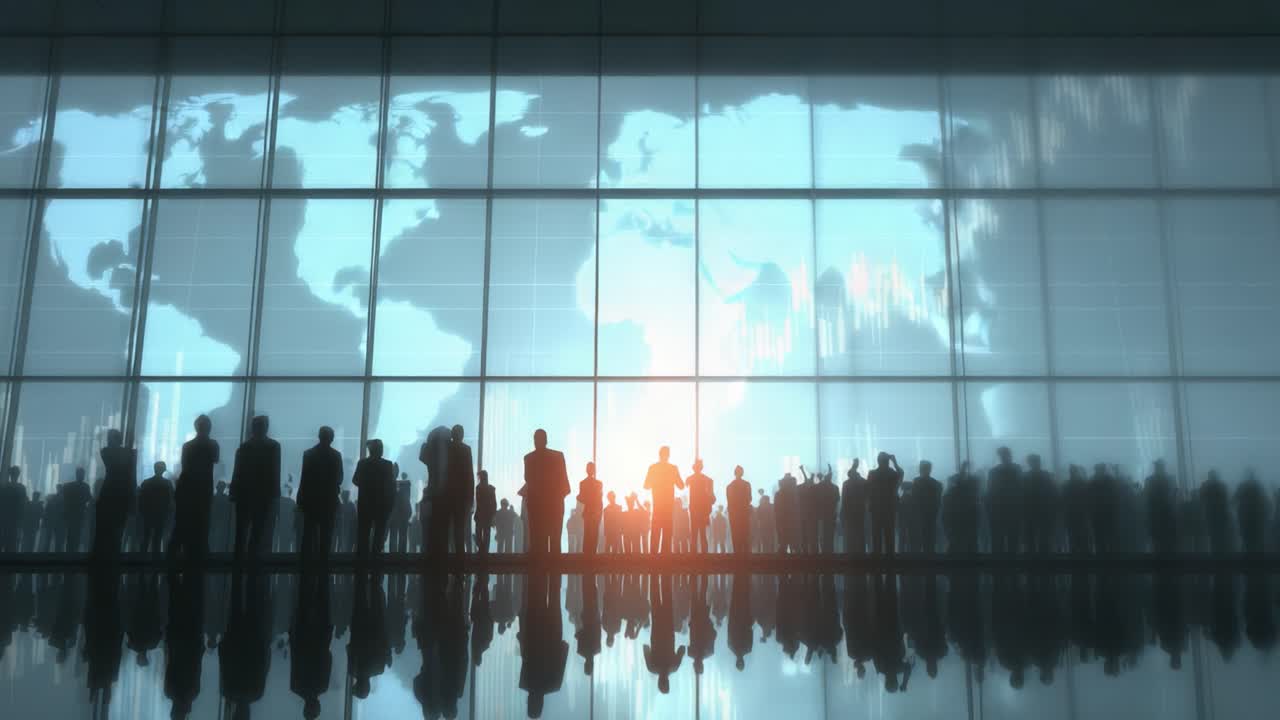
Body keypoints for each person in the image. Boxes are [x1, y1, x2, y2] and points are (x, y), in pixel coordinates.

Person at [230, 415, 281, 563]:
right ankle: (253, 562)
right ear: (266, 427)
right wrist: (275, 493)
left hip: (244, 495)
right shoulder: (273, 446)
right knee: (258, 532)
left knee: (241, 532)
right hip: (263, 496)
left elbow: (237, 471)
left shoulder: (244, 447)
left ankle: (239, 562)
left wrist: (233, 492)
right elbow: (275, 471)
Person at [297, 426, 343, 565]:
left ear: (319, 436)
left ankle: (306, 563)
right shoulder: (336, 456)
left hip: (311, 500)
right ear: (331, 438)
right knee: (326, 535)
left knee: (308, 534)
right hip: (328, 500)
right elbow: (339, 478)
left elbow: (304, 478)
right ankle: (323, 563)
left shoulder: (309, 454)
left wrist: (301, 497)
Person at [522, 429, 570, 557]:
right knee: (555, 544)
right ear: (546, 440)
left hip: (536, 507)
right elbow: (565, 485)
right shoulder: (558, 457)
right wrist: (557, 499)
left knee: (538, 544)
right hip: (555, 505)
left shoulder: (528, 459)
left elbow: (528, 479)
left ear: (535, 441)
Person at [93, 429, 137, 559]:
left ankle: (102, 556)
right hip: (122, 493)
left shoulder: (106, 452)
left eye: (109, 438)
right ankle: (113, 556)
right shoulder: (129, 453)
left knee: (104, 528)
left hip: (109, 492)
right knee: (118, 528)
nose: (108, 440)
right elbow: (132, 477)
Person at [353, 439, 395, 560]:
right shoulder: (388, 465)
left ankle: (362, 560)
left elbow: (355, 480)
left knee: (363, 533)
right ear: (380, 450)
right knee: (379, 534)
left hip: (365, 503)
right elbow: (391, 486)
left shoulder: (362, 463)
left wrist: (366, 486)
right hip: (382, 504)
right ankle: (376, 560)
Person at [644, 447, 685, 555]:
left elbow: (646, 486)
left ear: (659, 454)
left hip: (657, 505)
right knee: (667, 531)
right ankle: (665, 557)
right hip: (668, 506)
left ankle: (653, 557)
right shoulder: (673, 469)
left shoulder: (653, 468)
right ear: (668, 455)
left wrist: (656, 482)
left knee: (655, 531)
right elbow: (681, 486)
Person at [444, 425, 475, 556]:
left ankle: (446, 559)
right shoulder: (466, 450)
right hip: (462, 498)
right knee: (460, 531)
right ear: (462, 435)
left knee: (447, 530)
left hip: (447, 495)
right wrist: (470, 498)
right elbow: (469, 475)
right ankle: (460, 561)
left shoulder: (447, 448)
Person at [988, 447, 1023, 554]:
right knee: (1012, 540)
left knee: (999, 541)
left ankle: (1000, 561)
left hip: (999, 510)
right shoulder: (1016, 469)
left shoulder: (994, 471)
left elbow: (991, 491)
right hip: (1011, 510)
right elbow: (1021, 489)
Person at [867, 452, 903, 556]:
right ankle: (890, 556)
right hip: (890, 508)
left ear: (878, 461)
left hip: (876, 508)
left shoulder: (872, 474)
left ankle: (877, 556)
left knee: (876, 534)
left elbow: (868, 490)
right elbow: (901, 473)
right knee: (889, 533)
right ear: (888, 462)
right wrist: (895, 463)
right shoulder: (892, 474)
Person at [137, 461, 173, 558]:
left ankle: (142, 559)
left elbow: (141, 500)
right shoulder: (167, 483)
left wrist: (141, 512)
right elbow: (170, 501)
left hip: (148, 515)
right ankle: (155, 560)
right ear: (163, 470)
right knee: (157, 538)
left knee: (146, 537)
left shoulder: (146, 483)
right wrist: (169, 514)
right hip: (161, 515)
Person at [1024, 454, 1058, 554]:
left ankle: (1035, 559)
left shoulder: (1026, 477)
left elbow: (1022, 494)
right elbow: (1053, 493)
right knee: (1043, 539)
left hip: (1032, 512)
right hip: (1043, 512)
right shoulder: (1046, 476)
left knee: (1033, 540)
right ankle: (1043, 559)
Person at [1144, 460, 1178, 555]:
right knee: (1166, 545)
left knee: (1159, 545)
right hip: (1165, 516)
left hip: (1158, 517)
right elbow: (1175, 495)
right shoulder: (1170, 479)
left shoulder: (1149, 480)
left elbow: (1146, 497)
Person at [911, 461, 942, 554]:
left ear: (921, 469)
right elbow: (938, 502)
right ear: (929, 469)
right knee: (930, 541)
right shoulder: (936, 484)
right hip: (931, 516)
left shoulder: (916, 482)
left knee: (919, 542)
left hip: (919, 517)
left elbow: (914, 500)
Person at [686, 460, 715, 554]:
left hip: (697, 510)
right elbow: (712, 498)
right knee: (701, 533)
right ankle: (703, 554)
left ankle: (694, 554)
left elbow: (712, 498)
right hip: (702, 510)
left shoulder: (691, 479)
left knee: (695, 533)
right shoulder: (707, 480)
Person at [62, 467, 93, 553]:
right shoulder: (85, 487)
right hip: (79, 515)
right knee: (76, 536)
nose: (82, 476)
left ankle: (69, 553)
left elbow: (65, 499)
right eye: (82, 474)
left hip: (71, 515)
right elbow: (89, 498)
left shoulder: (67, 486)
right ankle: (73, 553)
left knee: (70, 536)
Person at [577, 463, 603, 556]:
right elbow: (599, 500)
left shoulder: (583, 483)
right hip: (595, 511)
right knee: (593, 533)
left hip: (588, 511)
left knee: (588, 532)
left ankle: (587, 553)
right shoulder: (599, 484)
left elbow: (581, 498)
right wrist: (599, 512)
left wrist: (579, 497)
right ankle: (592, 553)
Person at [0, 466, 27, 553]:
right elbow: (23, 507)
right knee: (11, 546)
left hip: (4, 520)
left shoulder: (4, 487)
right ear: (18, 475)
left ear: (10, 474)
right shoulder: (21, 488)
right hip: (14, 521)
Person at [841, 460, 867, 554]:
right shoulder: (863, 483)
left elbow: (844, 501)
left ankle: (851, 554)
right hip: (860, 512)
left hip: (849, 514)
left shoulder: (846, 484)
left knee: (851, 537)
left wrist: (842, 515)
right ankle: (860, 554)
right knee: (860, 536)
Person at [726, 466, 752, 556]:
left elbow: (729, 501)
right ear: (742, 473)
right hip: (744, 513)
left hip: (734, 514)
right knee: (745, 533)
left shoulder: (729, 486)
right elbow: (749, 498)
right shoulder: (747, 485)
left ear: (734, 473)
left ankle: (737, 552)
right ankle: (745, 553)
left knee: (735, 533)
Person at [816, 465, 840, 553]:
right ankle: (830, 553)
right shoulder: (835, 488)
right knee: (830, 536)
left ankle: (824, 554)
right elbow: (837, 501)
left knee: (822, 536)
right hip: (831, 515)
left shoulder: (820, 487)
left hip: (821, 516)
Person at [389, 472, 412, 554]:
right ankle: (401, 553)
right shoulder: (405, 489)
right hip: (402, 515)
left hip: (396, 516)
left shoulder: (394, 490)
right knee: (401, 536)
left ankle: (393, 553)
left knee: (394, 536)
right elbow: (407, 504)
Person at [474, 470, 497, 555]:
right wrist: (493, 515)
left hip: (481, 515)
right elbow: (494, 504)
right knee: (486, 534)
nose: (479, 478)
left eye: (479, 477)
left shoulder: (478, 488)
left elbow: (479, 503)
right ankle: (484, 551)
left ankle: (482, 550)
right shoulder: (491, 489)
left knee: (479, 534)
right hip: (487, 515)